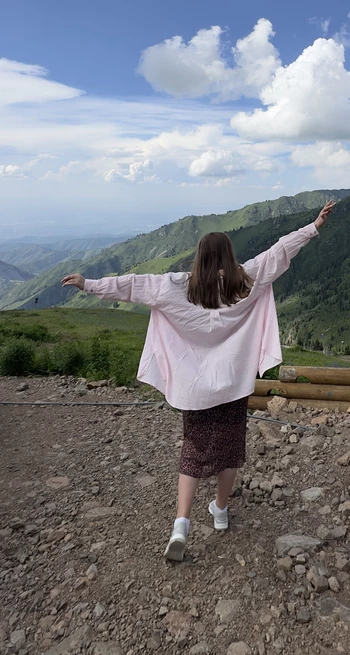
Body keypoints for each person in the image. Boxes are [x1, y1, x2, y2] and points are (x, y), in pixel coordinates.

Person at [62, 200, 335, 561]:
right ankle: (220, 511)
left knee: (193, 450)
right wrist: (313, 226)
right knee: (230, 450)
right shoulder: (246, 282)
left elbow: (132, 286)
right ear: (227, 255)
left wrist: (88, 284)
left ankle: (181, 524)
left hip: (194, 389)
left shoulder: (176, 287)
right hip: (233, 384)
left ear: (200, 258)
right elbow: (278, 252)